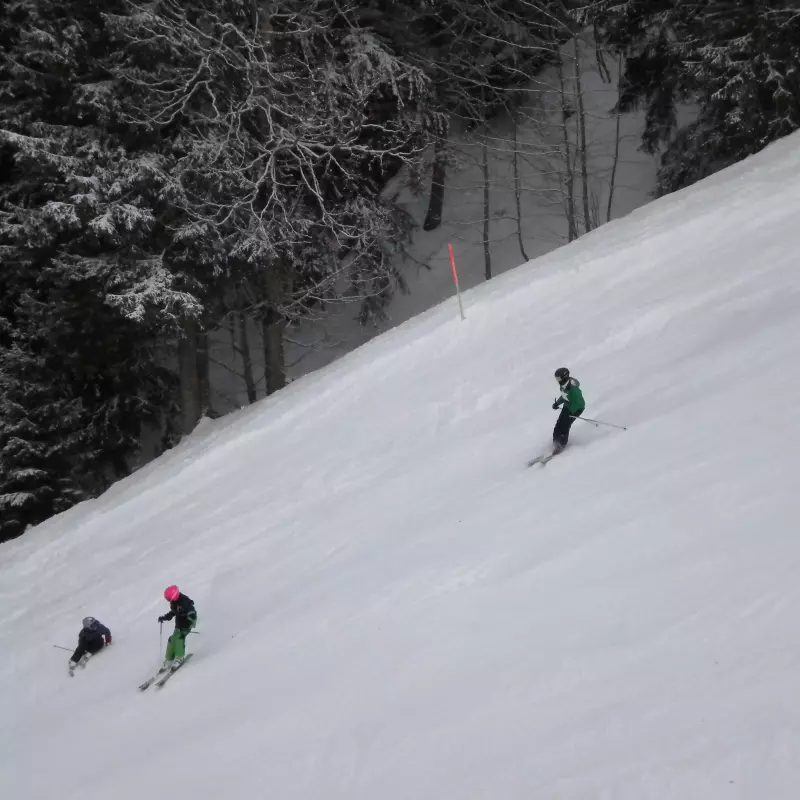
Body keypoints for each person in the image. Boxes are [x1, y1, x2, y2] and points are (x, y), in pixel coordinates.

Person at [158, 585, 197, 671]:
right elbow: (172, 613)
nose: (168, 601)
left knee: (179, 638)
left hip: (187, 625)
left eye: (169, 599)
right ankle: (169, 659)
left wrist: (189, 617)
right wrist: (164, 618)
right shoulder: (174, 603)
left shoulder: (185, 602)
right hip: (179, 625)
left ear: (174, 595)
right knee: (172, 639)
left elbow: (193, 613)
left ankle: (179, 657)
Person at [551, 367, 585, 454]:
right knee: (558, 425)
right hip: (568, 406)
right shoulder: (564, 386)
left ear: (564, 377)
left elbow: (578, 403)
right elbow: (564, 396)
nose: (557, 381)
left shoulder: (573, 389)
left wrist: (571, 412)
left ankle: (561, 445)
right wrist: (557, 403)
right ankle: (556, 443)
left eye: (559, 378)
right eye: (556, 379)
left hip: (576, 409)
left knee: (565, 426)